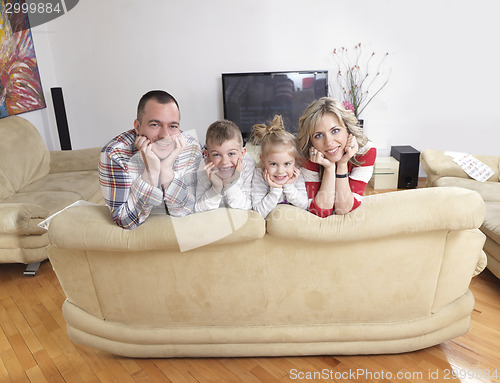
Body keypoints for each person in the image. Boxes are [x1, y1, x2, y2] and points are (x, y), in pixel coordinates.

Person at [99, 90, 203, 229]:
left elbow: (186, 210)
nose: (164, 135)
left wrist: (166, 170)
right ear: (137, 127)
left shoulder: (191, 147)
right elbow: (125, 221)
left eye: (173, 126)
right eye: (155, 124)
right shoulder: (114, 155)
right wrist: (151, 172)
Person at [297, 97, 376, 217]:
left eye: (335, 131)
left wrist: (342, 164)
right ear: (311, 141)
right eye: (318, 135)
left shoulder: (365, 151)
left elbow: (343, 209)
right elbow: (320, 211)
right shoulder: (309, 155)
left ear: (347, 129)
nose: (329, 142)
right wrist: (329, 168)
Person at [251, 115, 308, 217]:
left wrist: (289, 186)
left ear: (295, 162)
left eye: (287, 164)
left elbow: (304, 205)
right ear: (263, 161)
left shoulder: (296, 174)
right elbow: (258, 212)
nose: (280, 171)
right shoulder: (259, 174)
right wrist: (275, 189)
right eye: (273, 164)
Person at [195, 119, 255, 212]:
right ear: (207, 155)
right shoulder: (204, 167)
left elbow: (249, 206)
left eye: (231, 153)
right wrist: (217, 187)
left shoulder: (248, 165)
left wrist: (229, 184)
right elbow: (198, 208)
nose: (224, 162)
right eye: (216, 155)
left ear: (242, 153)